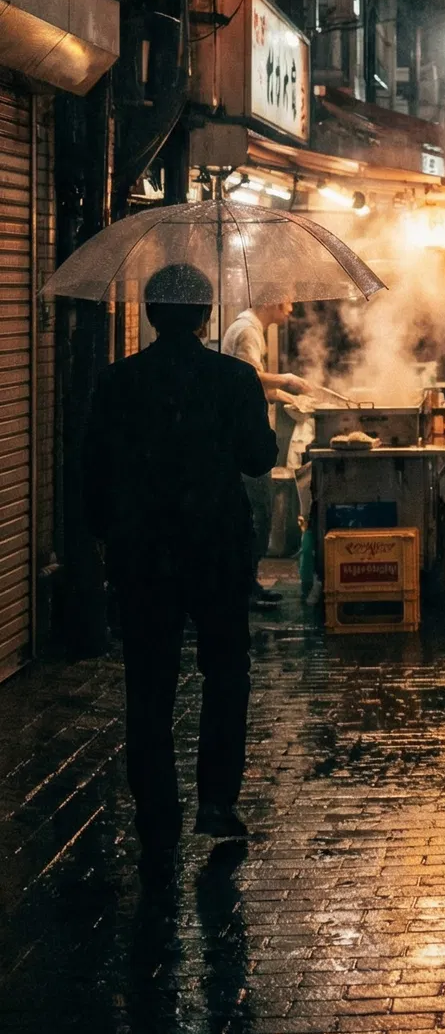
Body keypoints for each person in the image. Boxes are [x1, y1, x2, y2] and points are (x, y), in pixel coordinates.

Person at [83, 264, 277, 881]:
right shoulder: (234, 379)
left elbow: (93, 470)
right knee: (225, 672)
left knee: (148, 686)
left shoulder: (117, 383)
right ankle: (217, 801)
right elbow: (258, 458)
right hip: (216, 551)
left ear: (148, 315)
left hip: (143, 555)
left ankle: (157, 823)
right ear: (203, 317)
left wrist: (106, 537)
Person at [221, 299, 313, 608]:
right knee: (257, 512)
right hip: (243, 437)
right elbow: (247, 377)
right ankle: (244, 587)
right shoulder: (247, 331)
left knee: (254, 512)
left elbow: (253, 384)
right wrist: (287, 379)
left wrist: (288, 396)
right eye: (287, 303)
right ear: (272, 302)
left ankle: (247, 583)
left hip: (243, 435)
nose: (290, 310)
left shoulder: (251, 329)